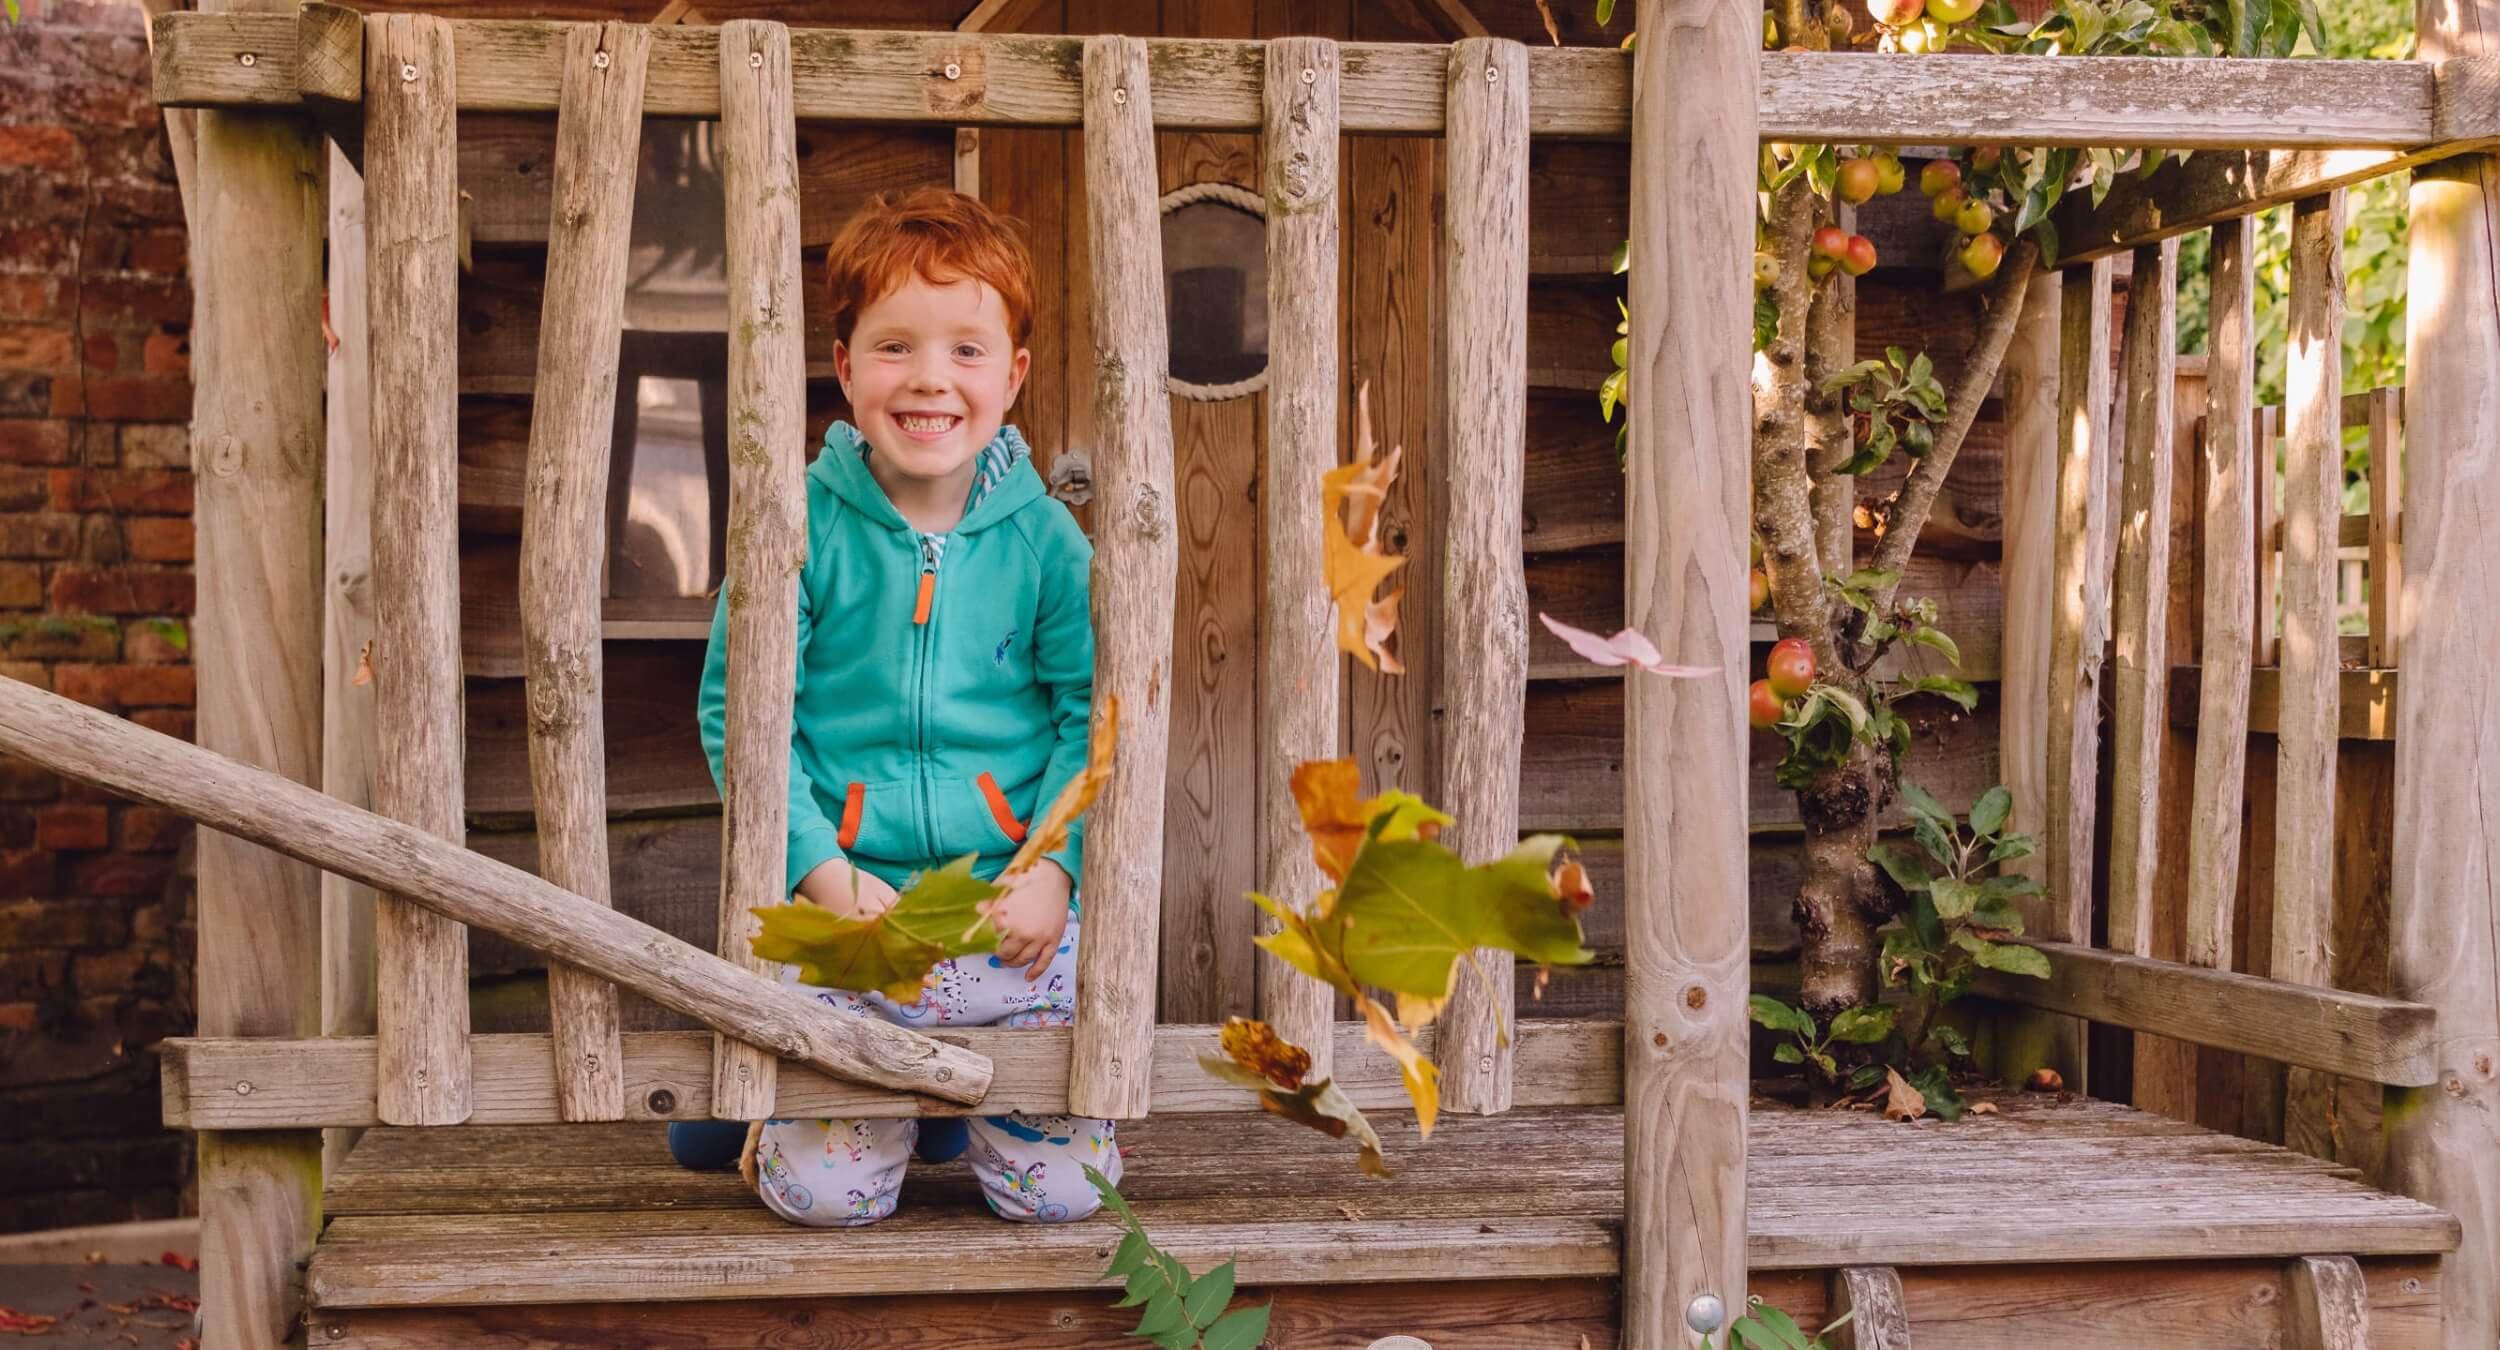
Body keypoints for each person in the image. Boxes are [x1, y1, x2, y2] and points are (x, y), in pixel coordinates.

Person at [684, 186, 1115, 1227]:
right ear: (843, 366)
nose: (930, 379)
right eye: (894, 347)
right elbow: (737, 718)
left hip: (1005, 923)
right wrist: (822, 873)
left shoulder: (1046, 544)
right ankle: (777, 1124)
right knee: (827, 1203)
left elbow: (1090, 723)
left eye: (967, 351)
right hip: (852, 919)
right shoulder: (801, 529)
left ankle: (940, 1109)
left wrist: (1054, 869)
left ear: (1012, 375)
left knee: (1062, 1200)